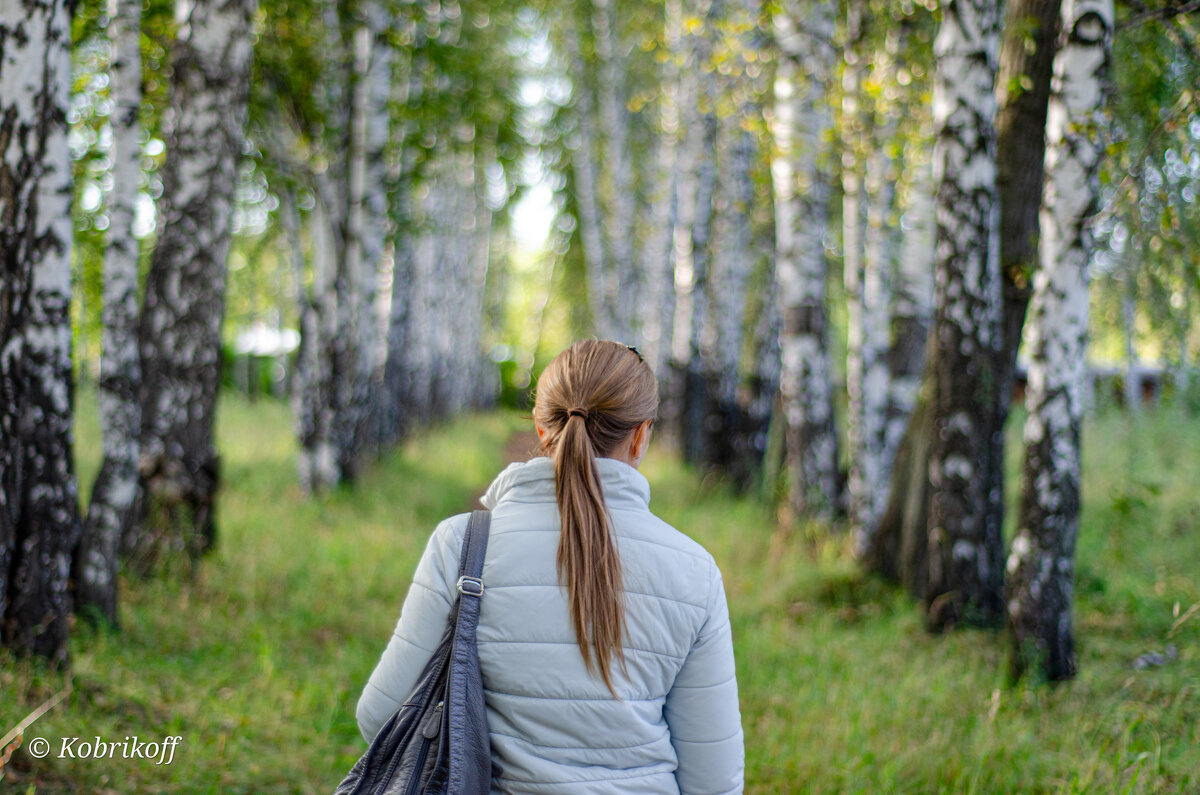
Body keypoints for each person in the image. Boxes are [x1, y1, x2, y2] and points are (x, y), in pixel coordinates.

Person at [356, 339, 744, 794]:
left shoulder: (461, 546)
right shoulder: (694, 570)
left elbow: (381, 717)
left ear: (542, 429)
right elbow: (714, 781)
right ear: (641, 435)